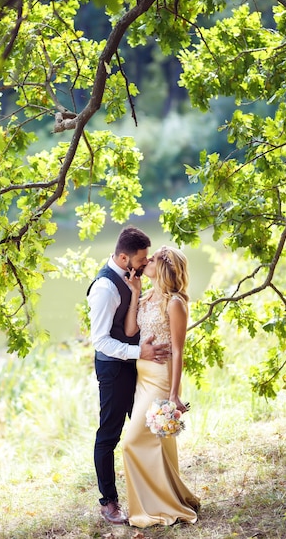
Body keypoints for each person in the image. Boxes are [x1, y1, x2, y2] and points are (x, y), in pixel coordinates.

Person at [87, 226, 170, 525]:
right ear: (124, 258)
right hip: (113, 369)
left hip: (137, 367)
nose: (146, 263)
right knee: (109, 435)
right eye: (142, 259)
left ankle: (155, 493)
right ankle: (108, 501)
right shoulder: (104, 288)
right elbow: (101, 340)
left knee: (143, 429)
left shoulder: (132, 280)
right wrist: (140, 353)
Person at [122, 245, 200, 528]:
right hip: (143, 379)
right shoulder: (146, 297)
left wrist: (173, 394)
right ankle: (164, 499)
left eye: (151, 259)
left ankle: (160, 504)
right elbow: (131, 331)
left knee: (131, 442)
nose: (146, 262)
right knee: (158, 444)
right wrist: (134, 293)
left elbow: (179, 351)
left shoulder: (175, 302)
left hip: (161, 380)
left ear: (163, 266)